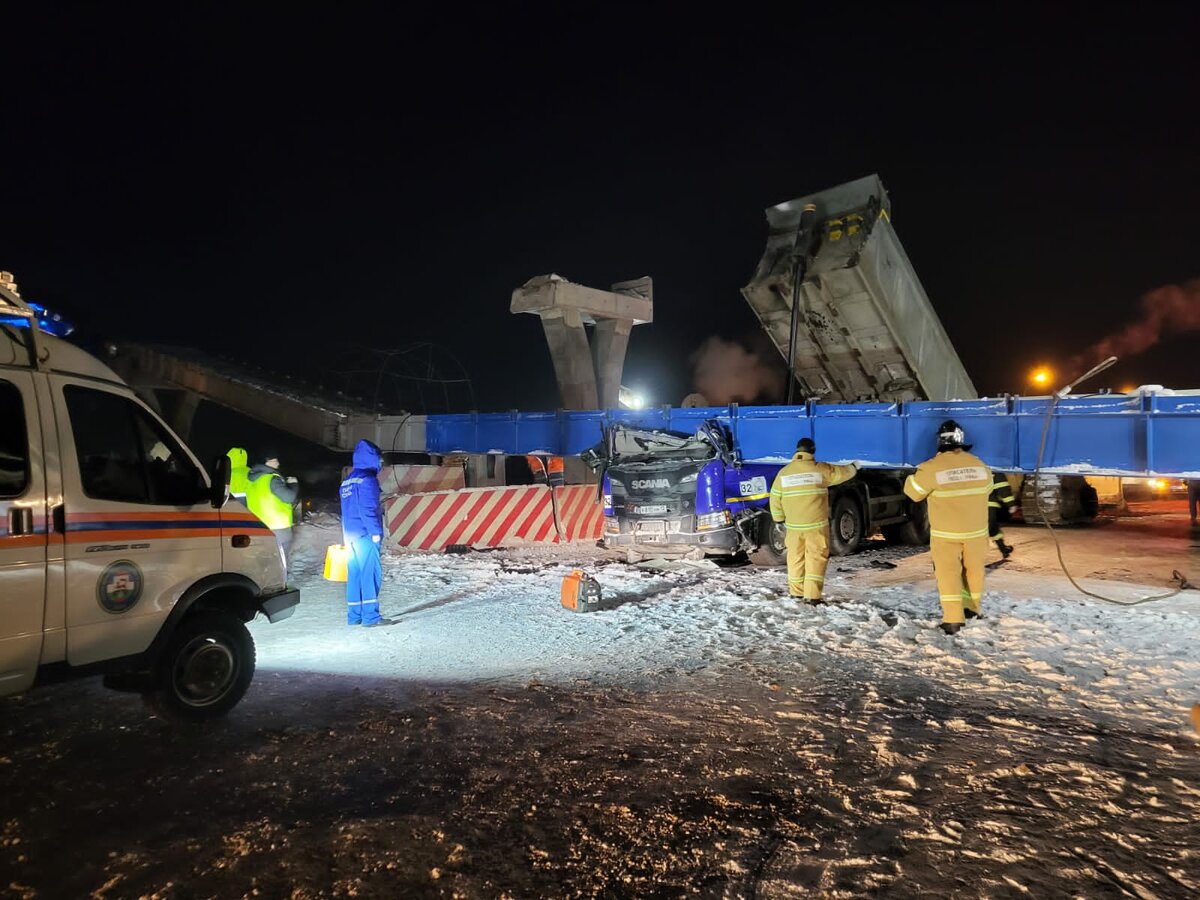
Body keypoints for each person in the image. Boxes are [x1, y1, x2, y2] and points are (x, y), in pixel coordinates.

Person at [904, 420, 992, 634]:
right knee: (974, 572)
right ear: (961, 442)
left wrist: (910, 476)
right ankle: (972, 609)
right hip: (976, 534)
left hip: (946, 535)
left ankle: (953, 619)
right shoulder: (979, 465)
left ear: (939, 443)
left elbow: (913, 493)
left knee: (948, 574)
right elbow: (988, 487)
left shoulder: (931, 468)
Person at [768, 437, 858, 604]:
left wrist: (779, 520)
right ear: (813, 451)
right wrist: (855, 466)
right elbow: (841, 473)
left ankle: (796, 593)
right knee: (815, 559)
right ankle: (812, 597)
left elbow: (774, 499)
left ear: (797, 451)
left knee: (795, 559)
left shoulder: (784, 473)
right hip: (816, 527)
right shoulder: (820, 470)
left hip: (793, 528)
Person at [340, 439, 388, 626]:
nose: (381, 463)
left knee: (354, 575)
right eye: (379, 460)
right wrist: (375, 532)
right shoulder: (368, 481)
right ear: (372, 459)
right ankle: (371, 617)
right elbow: (366, 509)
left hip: (350, 536)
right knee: (370, 574)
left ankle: (354, 615)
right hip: (365, 535)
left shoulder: (347, 482)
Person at [245, 451, 299, 572]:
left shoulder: (251, 480)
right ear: (267, 461)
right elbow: (289, 497)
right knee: (281, 561)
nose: (278, 463)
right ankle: (279, 585)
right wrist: (294, 484)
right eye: (275, 460)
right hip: (278, 528)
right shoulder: (272, 479)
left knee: (263, 560)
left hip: (259, 526)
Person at [989, 471, 1017, 558]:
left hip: (967, 506)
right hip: (987, 505)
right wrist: (1010, 504)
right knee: (991, 528)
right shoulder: (994, 469)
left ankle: (1003, 549)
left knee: (992, 529)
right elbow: (1002, 487)